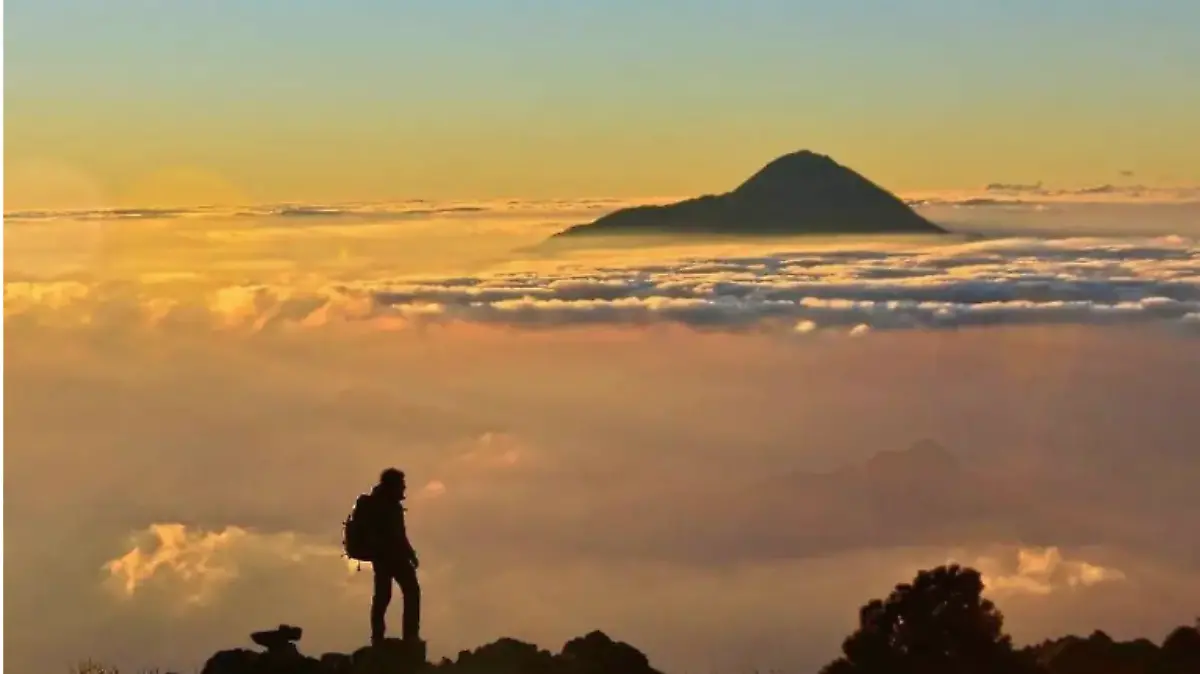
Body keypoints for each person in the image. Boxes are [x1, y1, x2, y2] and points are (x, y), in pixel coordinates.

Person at [365, 467, 421, 645]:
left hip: (383, 557)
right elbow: (397, 534)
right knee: (409, 592)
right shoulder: (387, 506)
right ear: (393, 485)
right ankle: (409, 636)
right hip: (390, 557)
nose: (404, 488)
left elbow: (398, 534)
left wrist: (410, 554)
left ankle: (378, 637)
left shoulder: (378, 503)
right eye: (401, 485)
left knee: (383, 597)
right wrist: (409, 554)